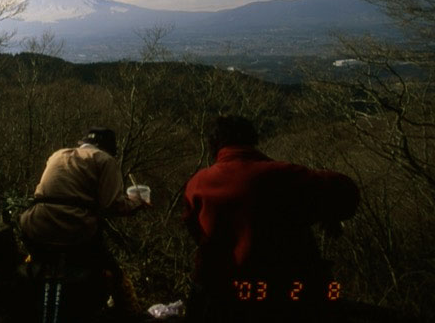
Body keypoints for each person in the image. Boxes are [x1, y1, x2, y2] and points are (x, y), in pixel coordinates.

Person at [182, 116, 360, 322]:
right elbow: (346, 190)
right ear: (252, 140)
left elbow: (195, 230)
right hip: (286, 295)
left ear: (214, 145)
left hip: (216, 296)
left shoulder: (197, 183)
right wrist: (329, 214)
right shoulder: (286, 175)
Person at [19, 127, 149, 317]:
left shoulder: (57, 154)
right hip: (76, 231)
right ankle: (130, 313)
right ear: (108, 148)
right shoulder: (105, 160)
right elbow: (111, 205)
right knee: (111, 270)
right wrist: (138, 202)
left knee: (38, 260)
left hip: (34, 225)